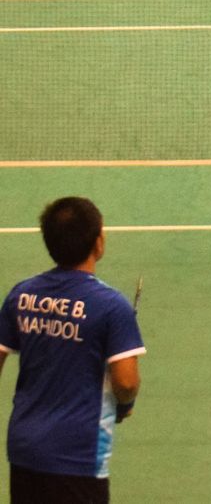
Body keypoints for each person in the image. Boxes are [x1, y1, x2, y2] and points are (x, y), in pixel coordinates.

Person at [0, 197, 145, 504]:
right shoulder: (112, 306)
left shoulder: (21, 295)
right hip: (78, 455)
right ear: (98, 242)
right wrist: (125, 403)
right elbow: (126, 382)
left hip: (24, 450)